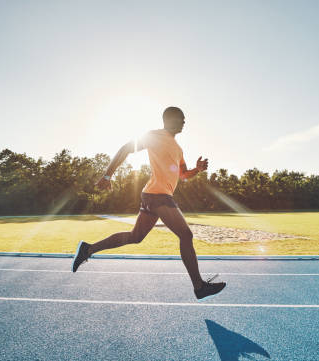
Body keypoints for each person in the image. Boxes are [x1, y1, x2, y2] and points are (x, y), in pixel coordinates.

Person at [72, 106, 226, 300]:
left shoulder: (178, 148)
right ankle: (199, 287)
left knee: (135, 237)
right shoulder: (154, 136)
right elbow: (127, 148)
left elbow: (183, 175)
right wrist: (107, 175)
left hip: (153, 195)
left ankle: (88, 249)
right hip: (158, 195)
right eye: (181, 119)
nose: (184, 122)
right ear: (169, 120)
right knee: (186, 235)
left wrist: (197, 169)